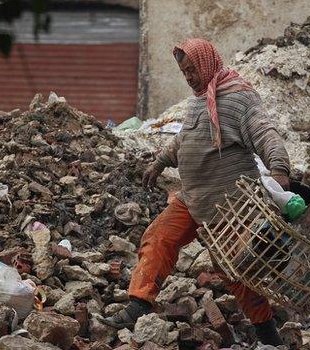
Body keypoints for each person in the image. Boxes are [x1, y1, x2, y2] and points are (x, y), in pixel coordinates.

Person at [101, 38, 290, 346]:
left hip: (230, 206)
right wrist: (160, 162)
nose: (188, 76)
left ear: (206, 63)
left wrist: (280, 169)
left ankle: (268, 333)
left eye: (192, 69)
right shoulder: (201, 99)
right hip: (192, 197)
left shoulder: (238, 97)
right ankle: (138, 304)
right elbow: (185, 140)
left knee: (236, 270)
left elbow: (265, 134)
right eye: (183, 71)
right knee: (159, 237)